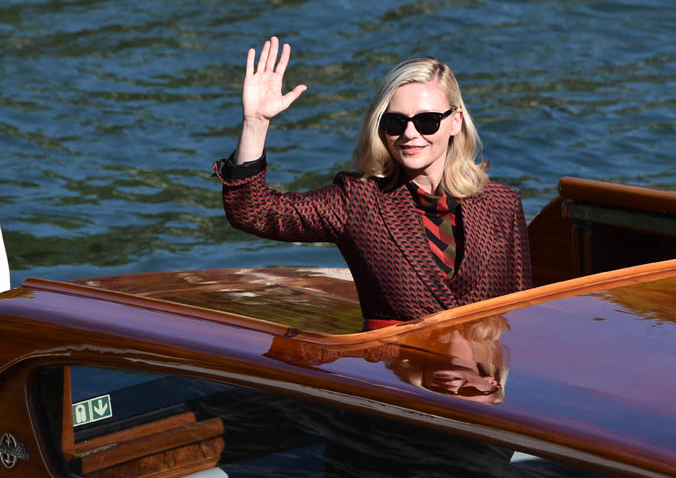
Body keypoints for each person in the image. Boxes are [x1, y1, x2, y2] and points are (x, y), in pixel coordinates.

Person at [213, 36, 532, 329]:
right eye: (395, 122)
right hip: (399, 368)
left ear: (455, 122)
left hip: (483, 371)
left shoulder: (501, 204)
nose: (410, 134)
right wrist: (255, 123)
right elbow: (253, 211)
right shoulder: (357, 200)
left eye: (427, 121)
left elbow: (525, 314)